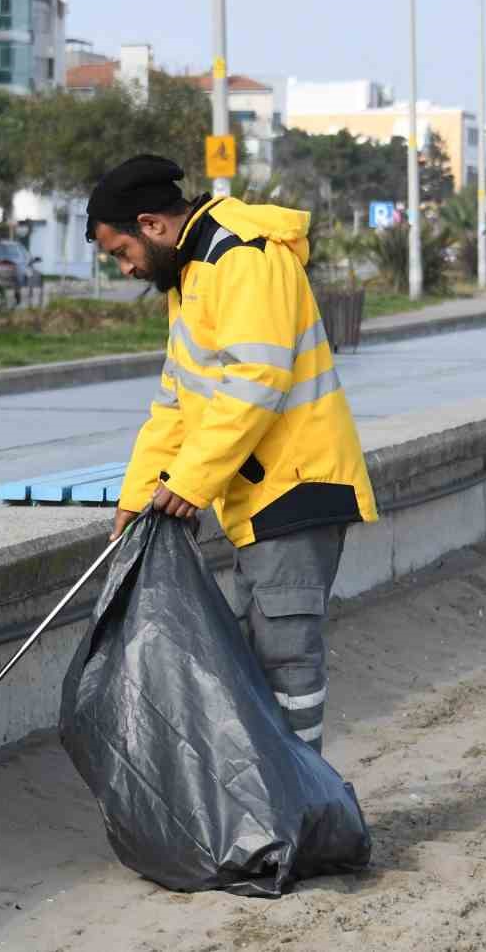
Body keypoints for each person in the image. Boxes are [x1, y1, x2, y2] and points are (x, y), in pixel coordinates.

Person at [88, 154, 378, 753]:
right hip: (259, 492)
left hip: (296, 487)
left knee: (286, 661)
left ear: (153, 225)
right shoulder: (192, 273)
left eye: (122, 252)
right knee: (257, 659)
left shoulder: (240, 256)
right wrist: (136, 499)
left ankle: (307, 804)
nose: (125, 269)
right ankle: (281, 804)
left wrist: (189, 484)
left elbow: (255, 381)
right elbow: (175, 403)